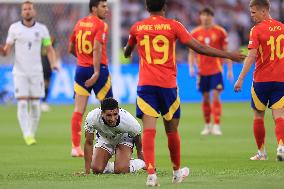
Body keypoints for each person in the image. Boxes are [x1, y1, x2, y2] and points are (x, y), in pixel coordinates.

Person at [124, 0, 244, 186]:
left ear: (147, 8)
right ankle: (176, 172)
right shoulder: (174, 25)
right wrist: (229, 55)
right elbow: (200, 48)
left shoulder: (137, 27)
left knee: (149, 130)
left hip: (146, 85)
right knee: (171, 131)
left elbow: (127, 51)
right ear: (165, 7)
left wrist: (128, 51)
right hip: (168, 85)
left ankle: (151, 174)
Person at [0, 1, 58, 145]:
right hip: (20, 72)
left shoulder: (42, 29)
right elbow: (7, 50)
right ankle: (27, 134)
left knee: (34, 105)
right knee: (22, 103)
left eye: (29, 9)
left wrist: (53, 63)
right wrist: (2, 50)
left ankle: (31, 133)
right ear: (22, 12)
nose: (27, 11)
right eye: (24, 9)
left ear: (34, 11)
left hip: (36, 72)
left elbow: (49, 49)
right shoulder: (14, 28)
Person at [234, 0, 284, 161]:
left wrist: (240, 78)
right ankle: (281, 147)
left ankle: (261, 153)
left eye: (254, 12)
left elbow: (252, 56)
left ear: (264, 11)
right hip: (281, 80)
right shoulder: (282, 28)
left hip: (261, 80)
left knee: (258, 116)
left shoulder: (256, 30)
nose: (251, 15)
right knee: (279, 115)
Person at [68, 0, 113, 157]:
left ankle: (75, 147)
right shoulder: (100, 24)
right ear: (94, 8)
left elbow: (70, 47)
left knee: (78, 110)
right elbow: (97, 48)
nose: (107, 9)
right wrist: (95, 71)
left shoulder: (79, 23)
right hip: (98, 70)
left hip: (80, 69)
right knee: (109, 109)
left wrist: (82, 59)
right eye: (103, 6)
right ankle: (108, 146)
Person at [188, 7, 233, 136]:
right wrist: (191, 67)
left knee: (216, 96)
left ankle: (217, 125)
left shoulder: (220, 32)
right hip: (202, 72)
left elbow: (226, 52)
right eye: (203, 15)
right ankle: (207, 125)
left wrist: (229, 70)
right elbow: (191, 52)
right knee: (206, 99)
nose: (205, 17)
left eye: (208, 15)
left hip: (216, 70)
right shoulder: (195, 32)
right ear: (200, 16)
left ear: (212, 17)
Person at [83, 97, 145, 174]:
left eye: (115, 114)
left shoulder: (130, 122)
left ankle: (137, 163)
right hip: (104, 139)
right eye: (109, 115)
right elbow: (88, 143)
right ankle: (117, 165)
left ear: (118, 110)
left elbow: (138, 141)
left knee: (121, 170)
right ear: (102, 113)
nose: (112, 119)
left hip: (123, 138)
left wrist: (142, 159)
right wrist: (87, 171)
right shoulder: (92, 118)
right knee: (96, 169)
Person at [41, 36, 56, 112]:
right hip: (43, 66)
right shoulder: (40, 42)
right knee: (44, 84)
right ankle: (42, 102)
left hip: (49, 66)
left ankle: (43, 102)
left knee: (47, 84)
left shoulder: (51, 43)